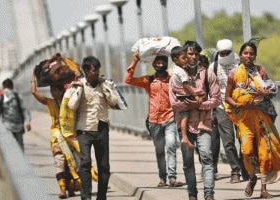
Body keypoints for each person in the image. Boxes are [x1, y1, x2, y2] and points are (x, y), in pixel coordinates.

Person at [224, 39, 280, 198]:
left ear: (255, 56)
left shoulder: (260, 71)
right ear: (240, 55)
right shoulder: (233, 73)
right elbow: (227, 97)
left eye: (251, 53)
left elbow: (270, 91)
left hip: (261, 116)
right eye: (245, 53)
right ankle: (252, 178)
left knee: (265, 150)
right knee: (247, 150)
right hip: (244, 119)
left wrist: (265, 93)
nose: (248, 56)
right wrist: (239, 104)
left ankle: (264, 189)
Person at [169, 40, 221, 200]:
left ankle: (209, 193)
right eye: (190, 54)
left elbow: (217, 98)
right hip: (184, 125)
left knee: (206, 157)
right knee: (188, 162)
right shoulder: (176, 76)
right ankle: (192, 194)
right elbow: (174, 103)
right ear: (184, 55)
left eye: (196, 54)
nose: (193, 57)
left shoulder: (207, 74)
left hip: (203, 123)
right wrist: (191, 105)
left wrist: (201, 104)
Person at [125, 52, 184, 188]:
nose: (161, 64)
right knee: (159, 150)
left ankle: (172, 178)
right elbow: (128, 80)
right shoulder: (149, 80)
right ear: (153, 64)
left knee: (171, 145)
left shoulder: (172, 79)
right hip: (154, 121)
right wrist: (134, 62)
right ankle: (162, 178)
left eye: (163, 62)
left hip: (170, 118)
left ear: (167, 64)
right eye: (158, 62)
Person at [67, 56, 118, 200]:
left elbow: (114, 101)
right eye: (92, 71)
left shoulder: (105, 84)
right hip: (84, 129)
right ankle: (86, 196)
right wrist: (79, 89)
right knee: (85, 162)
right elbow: (72, 105)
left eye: (97, 71)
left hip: (102, 128)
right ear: (85, 71)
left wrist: (105, 86)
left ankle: (101, 196)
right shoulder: (78, 85)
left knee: (104, 165)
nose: (95, 74)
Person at [31, 70, 80, 198]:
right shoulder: (50, 103)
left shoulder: (70, 101)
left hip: (70, 137)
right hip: (57, 139)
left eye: (54, 90)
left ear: (60, 91)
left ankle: (70, 187)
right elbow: (34, 92)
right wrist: (33, 77)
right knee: (59, 162)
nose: (52, 93)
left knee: (71, 163)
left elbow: (80, 91)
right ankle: (62, 189)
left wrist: (76, 77)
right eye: (51, 90)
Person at [208, 39, 249, 183]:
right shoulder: (213, 67)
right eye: (222, 53)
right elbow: (210, 90)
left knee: (244, 139)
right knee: (228, 141)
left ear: (232, 51)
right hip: (221, 108)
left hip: (240, 107)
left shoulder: (240, 65)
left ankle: (246, 168)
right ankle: (235, 171)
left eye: (227, 53)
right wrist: (212, 111)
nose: (224, 56)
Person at [170, 46, 210, 149]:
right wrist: (195, 95)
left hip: (182, 95)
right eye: (185, 57)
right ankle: (184, 137)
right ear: (176, 59)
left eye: (196, 54)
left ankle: (196, 126)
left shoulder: (175, 69)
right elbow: (186, 86)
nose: (188, 59)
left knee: (186, 115)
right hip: (184, 96)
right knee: (187, 115)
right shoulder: (181, 71)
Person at [0, 78, 31, 152]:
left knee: (18, 147)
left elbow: (25, 110)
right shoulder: (1, 98)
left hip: (18, 127)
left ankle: (20, 162)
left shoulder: (18, 97)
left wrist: (27, 122)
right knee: (10, 147)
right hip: (8, 126)